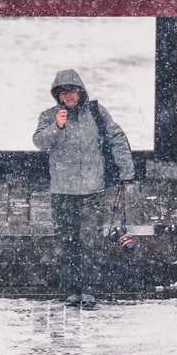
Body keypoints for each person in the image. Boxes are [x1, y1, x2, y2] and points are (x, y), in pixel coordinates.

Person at [33, 69, 135, 309]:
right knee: (67, 243)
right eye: (62, 92)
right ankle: (71, 291)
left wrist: (126, 171)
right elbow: (39, 142)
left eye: (72, 91)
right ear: (57, 95)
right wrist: (56, 127)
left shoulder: (97, 113)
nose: (67, 96)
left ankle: (88, 291)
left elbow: (117, 138)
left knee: (90, 242)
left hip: (92, 190)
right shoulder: (49, 116)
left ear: (81, 91)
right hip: (62, 191)